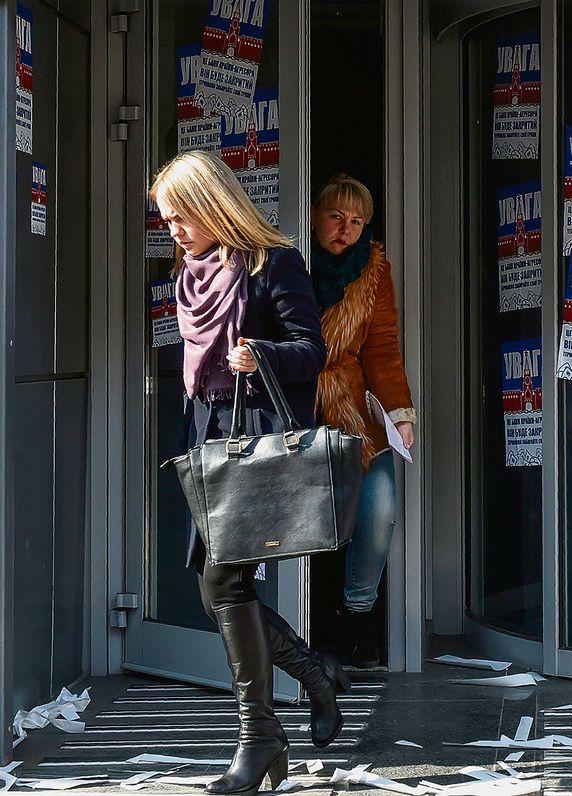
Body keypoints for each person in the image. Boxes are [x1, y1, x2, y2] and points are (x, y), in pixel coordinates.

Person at [153, 150, 346, 796]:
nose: (174, 231)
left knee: (223, 586)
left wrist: (258, 353)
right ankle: (314, 677)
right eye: (167, 220)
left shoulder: (272, 265)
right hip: (210, 442)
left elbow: (312, 350)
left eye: (182, 217)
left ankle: (259, 735)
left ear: (214, 206)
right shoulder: (193, 273)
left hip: (254, 441)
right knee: (216, 592)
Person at [309, 174, 415, 669]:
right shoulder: (289, 263)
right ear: (314, 216)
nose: (344, 230)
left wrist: (399, 411)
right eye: (336, 216)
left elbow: (382, 346)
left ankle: (358, 616)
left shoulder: (374, 271)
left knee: (379, 511)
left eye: (356, 222)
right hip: (298, 403)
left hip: (351, 403)